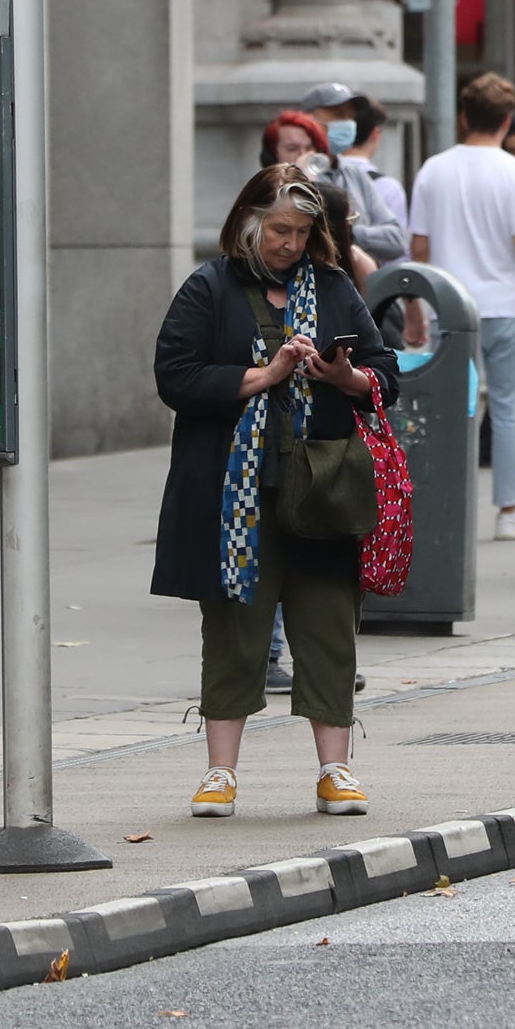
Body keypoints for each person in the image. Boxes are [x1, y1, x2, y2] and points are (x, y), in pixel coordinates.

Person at [153, 165, 395, 822]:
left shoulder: (337, 286)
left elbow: (386, 375)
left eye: (301, 231)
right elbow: (175, 376)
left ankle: (335, 770)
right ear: (249, 223)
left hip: (322, 493)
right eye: (279, 229)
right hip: (237, 497)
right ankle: (220, 773)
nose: (289, 243)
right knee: (235, 631)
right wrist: (267, 374)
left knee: (327, 627)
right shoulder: (210, 287)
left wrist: (344, 376)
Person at [412, 72, 515, 539]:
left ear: (463, 116)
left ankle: (448, 507)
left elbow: (420, 247)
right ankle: (509, 511)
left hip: (449, 305)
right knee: (508, 409)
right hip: (507, 302)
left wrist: (413, 307)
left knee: (451, 408)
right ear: (507, 121)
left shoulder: (433, 169)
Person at [301, 81, 411, 275]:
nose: (347, 123)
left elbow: (395, 241)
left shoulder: (355, 174)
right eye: (337, 115)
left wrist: (351, 232)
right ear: (310, 120)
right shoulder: (296, 173)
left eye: (350, 115)